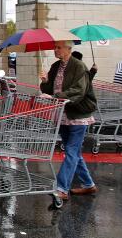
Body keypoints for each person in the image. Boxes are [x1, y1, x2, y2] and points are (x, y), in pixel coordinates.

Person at [40, 41, 98, 201]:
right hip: (63, 113)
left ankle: (62, 188)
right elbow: (49, 89)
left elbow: (79, 90)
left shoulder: (79, 66)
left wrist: (55, 97)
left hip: (78, 114)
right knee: (73, 152)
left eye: (59, 47)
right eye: (54, 47)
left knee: (72, 151)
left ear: (68, 49)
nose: (55, 50)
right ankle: (88, 184)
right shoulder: (55, 66)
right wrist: (45, 82)